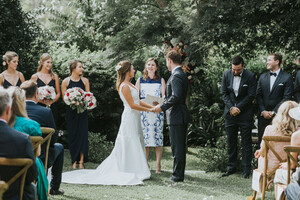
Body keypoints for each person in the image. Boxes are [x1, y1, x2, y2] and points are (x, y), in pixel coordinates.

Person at [62, 60, 152, 185]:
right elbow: (132, 105)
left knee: (136, 139)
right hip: (130, 117)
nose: (134, 70)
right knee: (130, 140)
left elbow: (139, 101)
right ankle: (129, 168)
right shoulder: (124, 86)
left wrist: (151, 107)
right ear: (126, 71)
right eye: (132, 68)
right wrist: (151, 109)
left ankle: (137, 167)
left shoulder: (131, 84)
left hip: (135, 117)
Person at [20, 80, 64, 195]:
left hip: (17, 153)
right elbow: (53, 139)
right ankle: (54, 187)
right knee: (59, 146)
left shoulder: (14, 112)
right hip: (41, 156)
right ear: (36, 95)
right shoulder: (46, 112)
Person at [154, 50, 189, 182]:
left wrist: (161, 107)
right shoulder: (180, 74)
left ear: (169, 60)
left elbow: (176, 96)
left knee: (177, 147)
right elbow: (173, 96)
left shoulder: (176, 75)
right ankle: (178, 174)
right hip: (177, 115)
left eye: (166, 61)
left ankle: (177, 176)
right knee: (178, 146)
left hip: (177, 115)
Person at [7, 86, 48, 200]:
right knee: (36, 161)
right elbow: (38, 153)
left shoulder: (3, 124)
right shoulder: (32, 125)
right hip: (25, 170)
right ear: (22, 102)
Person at [221, 55, 256, 178]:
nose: (235, 72)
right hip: (230, 114)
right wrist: (231, 108)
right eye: (233, 70)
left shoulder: (250, 76)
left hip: (245, 114)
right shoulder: (226, 74)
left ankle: (246, 169)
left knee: (246, 142)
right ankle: (231, 167)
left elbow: (251, 95)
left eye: (238, 70)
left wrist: (239, 108)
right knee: (231, 141)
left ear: (243, 66)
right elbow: (224, 93)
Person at [0, 87, 37, 200]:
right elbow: (31, 175)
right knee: (31, 188)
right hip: (11, 196)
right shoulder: (22, 140)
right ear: (8, 110)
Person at [135, 57, 166, 173]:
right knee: (145, 139)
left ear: (156, 67)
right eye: (149, 64)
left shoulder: (161, 80)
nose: (150, 67)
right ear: (146, 66)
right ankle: (145, 164)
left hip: (157, 111)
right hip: (144, 112)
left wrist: (158, 105)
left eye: (153, 65)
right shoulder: (140, 80)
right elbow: (136, 97)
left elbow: (164, 97)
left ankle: (158, 165)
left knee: (158, 138)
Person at [257, 53, 293, 146]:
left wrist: (274, 112)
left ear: (277, 62)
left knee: (277, 144)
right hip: (263, 117)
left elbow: (286, 97)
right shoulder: (262, 77)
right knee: (261, 143)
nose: (267, 62)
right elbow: (258, 95)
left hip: (279, 117)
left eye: (269, 60)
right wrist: (263, 111)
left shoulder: (287, 77)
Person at [61, 60, 89, 169]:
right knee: (73, 135)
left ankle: (81, 161)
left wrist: (81, 102)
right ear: (73, 68)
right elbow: (64, 98)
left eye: (82, 67)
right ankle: (74, 160)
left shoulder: (85, 81)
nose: (82, 69)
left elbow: (88, 97)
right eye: (80, 67)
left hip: (82, 112)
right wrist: (73, 101)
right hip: (71, 112)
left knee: (82, 135)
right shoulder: (66, 82)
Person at [31, 53, 61, 125]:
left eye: (51, 62)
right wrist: (41, 101)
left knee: (52, 128)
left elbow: (58, 93)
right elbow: (32, 94)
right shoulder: (35, 76)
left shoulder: (54, 76)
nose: (50, 64)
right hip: (38, 106)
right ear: (42, 62)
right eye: (48, 62)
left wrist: (51, 102)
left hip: (52, 107)